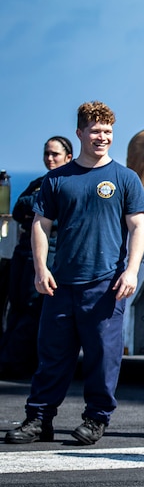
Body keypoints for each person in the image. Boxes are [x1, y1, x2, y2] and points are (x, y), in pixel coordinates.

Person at [5, 101, 144, 445]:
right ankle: (39, 419)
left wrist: (131, 271)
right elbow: (41, 225)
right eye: (96, 131)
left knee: (103, 357)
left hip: (105, 285)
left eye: (108, 132)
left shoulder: (124, 178)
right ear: (80, 133)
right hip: (62, 283)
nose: (103, 138)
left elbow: (138, 226)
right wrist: (41, 269)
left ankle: (96, 418)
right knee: (52, 356)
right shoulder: (57, 179)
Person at [0, 137, 74, 378]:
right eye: (47, 154)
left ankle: (19, 364)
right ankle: (8, 359)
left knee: (34, 309)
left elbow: (54, 214)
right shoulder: (39, 182)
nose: (50, 159)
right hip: (23, 252)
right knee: (16, 307)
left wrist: (34, 206)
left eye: (55, 154)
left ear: (68, 157)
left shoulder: (68, 183)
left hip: (46, 254)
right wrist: (36, 205)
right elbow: (19, 208)